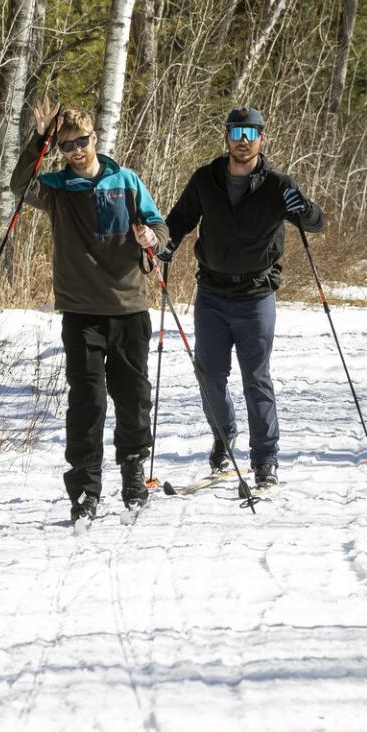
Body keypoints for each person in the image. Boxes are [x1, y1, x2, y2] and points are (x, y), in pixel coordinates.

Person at [12, 100, 170, 523]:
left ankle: (133, 475)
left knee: (134, 399)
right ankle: (84, 490)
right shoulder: (58, 189)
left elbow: (160, 227)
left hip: (129, 306)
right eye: (66, 145)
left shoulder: (127, 180)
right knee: (88, 402)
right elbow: (19, 185)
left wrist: (150, 239)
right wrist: (40, 139)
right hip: (81, 311)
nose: (75, 151)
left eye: (81, 142)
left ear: (95, 138)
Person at [157, 106, 324, 489]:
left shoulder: (278, 185)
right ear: (227, 137)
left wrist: (307, 209)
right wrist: (166, 244)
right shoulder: (206, 178)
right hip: (212, 294)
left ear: (262, 138)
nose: (243, 141)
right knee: (210, 376)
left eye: (251, 133)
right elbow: (180, 219)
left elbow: (316, 223)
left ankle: (265, 459)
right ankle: (223, 434)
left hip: (255, 295)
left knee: (256, 378)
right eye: (237, 133)